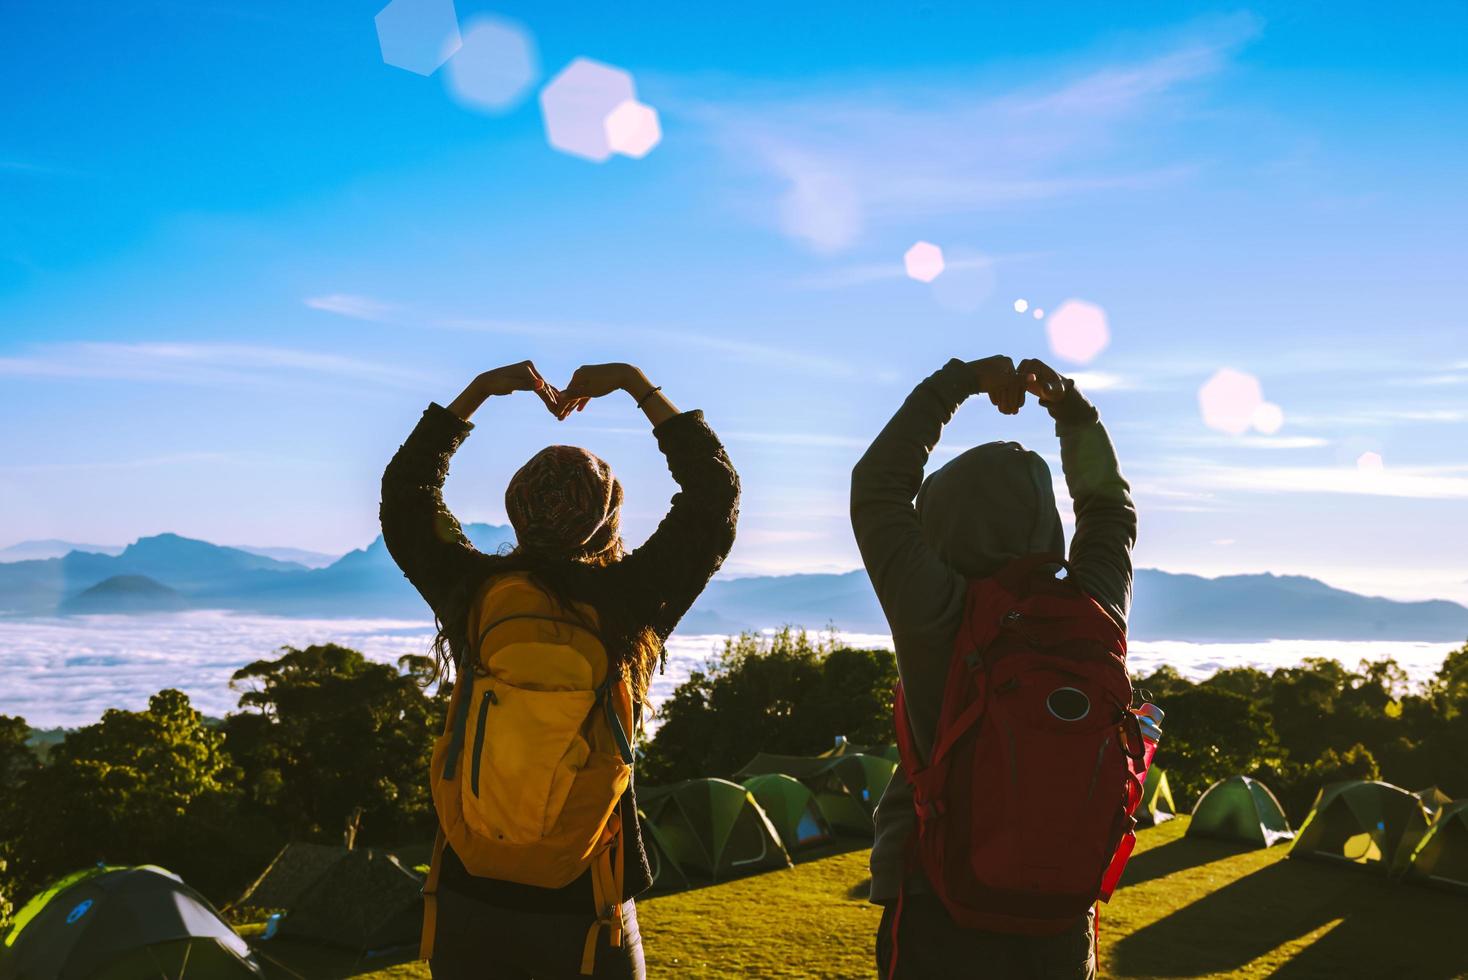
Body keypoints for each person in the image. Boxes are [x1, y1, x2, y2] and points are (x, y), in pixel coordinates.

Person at [381, 360, 739, 979]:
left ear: (515, 511)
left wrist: (479, 392)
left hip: (469, 891)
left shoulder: (473, 594)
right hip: (587, 902)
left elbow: (406, 495)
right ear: (608, 519)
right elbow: (715, 495)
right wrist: (634, 383)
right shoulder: (630, 602)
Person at [850, 355, 1137, 980]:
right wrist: (1071, 412)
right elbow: (1109, 511)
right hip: (1062, 921)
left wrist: (959, 384)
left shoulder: (938, 611)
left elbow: (878, 487)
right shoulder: (1094, 609)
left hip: (937, 910)